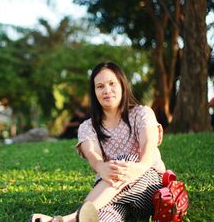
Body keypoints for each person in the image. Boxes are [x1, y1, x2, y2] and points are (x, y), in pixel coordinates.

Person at [30, 62, 165, 222]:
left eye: (112, 84)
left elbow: (148, 148)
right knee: (99, 216)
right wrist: (102, 167)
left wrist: (138, 167)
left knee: (124, 161)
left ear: (122, 85)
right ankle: (80, 218)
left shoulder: (141, 114)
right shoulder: (87, 127)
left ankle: (68, 219)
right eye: (100, 86)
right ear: (94, 92)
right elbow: (94, 157)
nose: (107, 90)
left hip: (148, 187)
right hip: (110, 194)